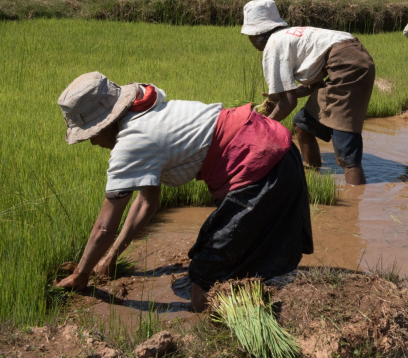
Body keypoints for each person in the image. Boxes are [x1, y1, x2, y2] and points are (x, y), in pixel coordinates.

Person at [54, 72, 313, 311]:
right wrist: (112, 254)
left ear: (103, 125)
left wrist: (81, 275)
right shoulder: (146, 112)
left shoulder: (131, 144)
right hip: (275, 145)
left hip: (259, 162)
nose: (92, 143)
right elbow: (147, 202)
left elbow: (103, 228)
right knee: (238, 252)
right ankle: (259, 291)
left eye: (90, 135)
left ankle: (249, 317)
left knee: (203, 284)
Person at [241, 0, 375, 185]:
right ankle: (312, 173)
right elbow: (312, 86)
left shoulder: (273, 44)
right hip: (351, 59)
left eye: (250, 36)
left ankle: (355, 201)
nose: (251, 41)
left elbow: (288, 103)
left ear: (260, 35)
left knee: (346, 148)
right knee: (302, 124)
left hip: (347, 67)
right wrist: (286, 95)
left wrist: (264, 124)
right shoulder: (289, 36)